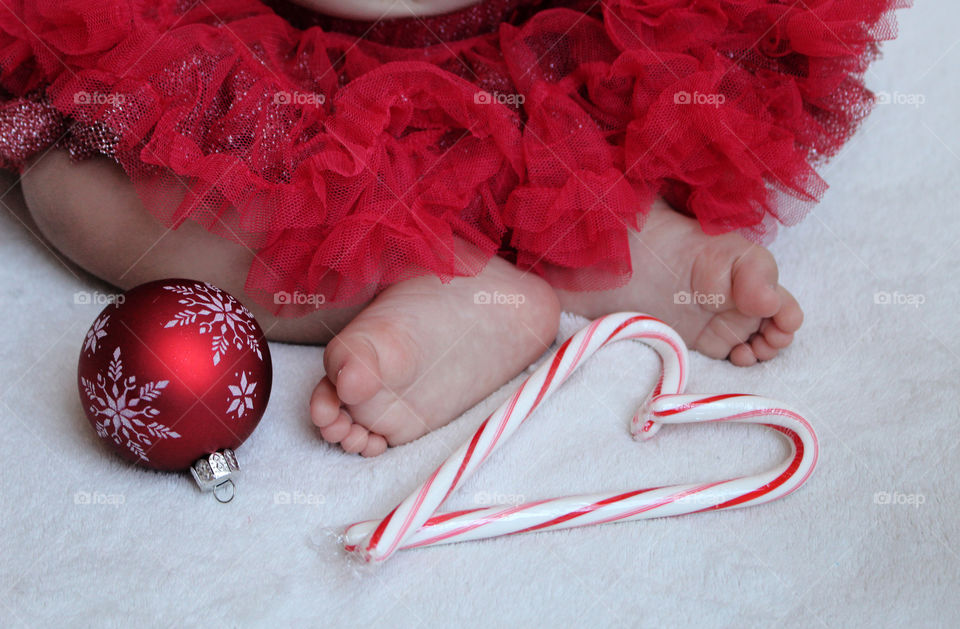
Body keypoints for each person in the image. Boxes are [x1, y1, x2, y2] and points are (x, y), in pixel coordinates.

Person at [0, 0, 904, 456]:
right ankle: (546, 251)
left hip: (533, 44)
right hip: (264, 56)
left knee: (68, 178)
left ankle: (598, 240)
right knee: (71, 174)